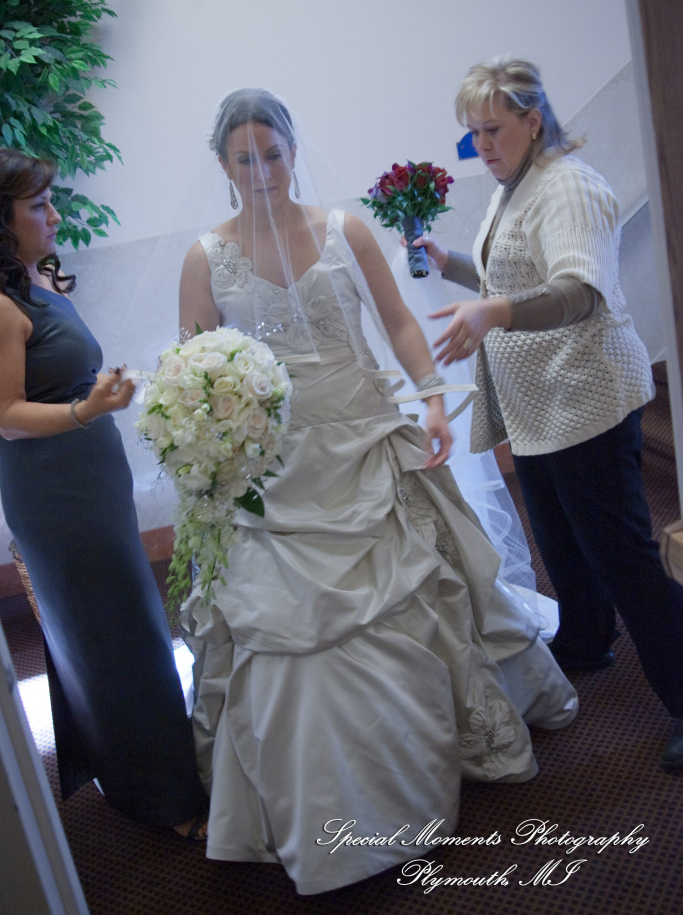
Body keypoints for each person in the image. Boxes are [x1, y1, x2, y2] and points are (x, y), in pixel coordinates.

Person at [177, 88, 579, 895]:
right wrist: (207, 444)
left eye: (273, 152)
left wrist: (430, 394)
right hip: (272, 466)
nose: (261, 171)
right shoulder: (204, 255)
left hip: (362, 432)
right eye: (243, 158)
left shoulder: (342, 228)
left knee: (421, 582)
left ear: (293, 150)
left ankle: (445, 749)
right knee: (285, 627)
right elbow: (195, 359)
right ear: (222, 165)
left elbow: (395, 319)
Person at [411, 58, 683, 773]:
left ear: (533, 122)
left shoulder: (570, 186)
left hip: (586, 398)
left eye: (492, 130)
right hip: (537, 408)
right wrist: (454, 268)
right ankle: (587, 640)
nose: (482, 147)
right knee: (560, 545)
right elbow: (511, 278)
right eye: (471, 135)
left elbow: (576, 293)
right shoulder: (517, 185)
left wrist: (493, 309)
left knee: (623, 555)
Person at [0, 148, 208, 837]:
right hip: (55, 493)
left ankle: (139, 770)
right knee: (117, 636)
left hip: (87, 480)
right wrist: (87, 411)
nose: (53, 215)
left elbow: (60, 379)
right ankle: (165, 798)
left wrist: (105, 393)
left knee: (120, 628)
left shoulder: (36, 282)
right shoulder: (1, 306)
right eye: (37, 205)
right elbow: (5, 416)